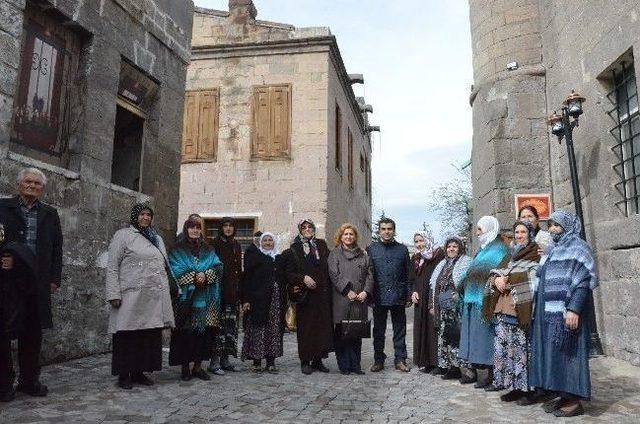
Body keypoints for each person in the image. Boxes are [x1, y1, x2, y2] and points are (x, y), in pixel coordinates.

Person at [0, 168, 62, 400]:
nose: (32, 186)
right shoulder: (3, 208)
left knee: (32, 333)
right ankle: (4, 384)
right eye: (28, 182)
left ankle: (29, 381)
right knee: (3, 333)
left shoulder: (49, 213)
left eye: (37, 184)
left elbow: (57, 248)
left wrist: (55, 278)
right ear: (19, 184)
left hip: (37, 281)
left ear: (42, 189)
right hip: (7, 280)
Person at [529, 210, 598, 417]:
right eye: (550, 225)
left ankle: (575, 400)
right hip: (550, 314)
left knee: (570, 355)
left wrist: (574, 309)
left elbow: (583, 281)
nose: (552, 229)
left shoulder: (579, 248)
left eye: (557, 225)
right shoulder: (556, 249)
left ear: (567, 227)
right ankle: (563, 394)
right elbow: (547, 273)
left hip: (567, 313)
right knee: (556, 355)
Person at [106, 203, 175, 389]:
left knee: (147, 335)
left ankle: (140, 371)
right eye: (142, 214)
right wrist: (113, 293)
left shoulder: (157, 239)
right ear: (135, 216)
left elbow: (163, 265)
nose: (145, 218)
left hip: (152, 296)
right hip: (130, 295)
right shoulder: (123, 236)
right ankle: (124, 374)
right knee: (127, 335)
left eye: (149, 215)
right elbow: (112, 266)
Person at [483, 221, 540, 400]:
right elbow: (494, 273)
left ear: (530, 234)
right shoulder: (511, 255)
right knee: (506, 351)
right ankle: (513, 387)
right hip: (502, 310)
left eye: (523, 232)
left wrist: (506, 279)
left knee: (522, 351)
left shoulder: (535, 254)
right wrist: (495, 279)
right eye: (517, 232)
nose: (519, 235)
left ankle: (528, 390)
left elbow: (533, 278)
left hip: (519, 310)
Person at [168, 217, 223, 381]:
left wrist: (205, 275)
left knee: (203, 335)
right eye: (191, 227)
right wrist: (194, 276)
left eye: (198, 227)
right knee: (185, 334)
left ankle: (198, 367)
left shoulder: (208, 249)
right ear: (186, 229)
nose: (195, 230)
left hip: (205, 300)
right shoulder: (177, 249)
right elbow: (174, 269)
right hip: (186, 300)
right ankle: (185, 367)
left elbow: (218, 266)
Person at [458, 216, 509, 388]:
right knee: (476, 337)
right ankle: (481, 371)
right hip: (472, 298)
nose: (478, 234)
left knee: (487, 338)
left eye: (480, 230)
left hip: (486, 299)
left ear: (489, 229)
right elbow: (473, 270)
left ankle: (492, 374)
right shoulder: (481, 250)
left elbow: (499, 272)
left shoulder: (500, 249)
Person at [280, 219, 333, 375]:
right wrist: (303, 278)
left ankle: (318, 360)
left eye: (310, 227)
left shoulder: (321, 245)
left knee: (321, 327)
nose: (308, 229)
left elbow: (330, 263)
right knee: (306, 328)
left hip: (322, 295)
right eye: (304, 227)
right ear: (300, 230)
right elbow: (289, 272)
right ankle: (305, 360)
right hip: (306, 295)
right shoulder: (295, 248)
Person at [328, 224, 374, 375]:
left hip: (359, 300)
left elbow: (370, 274)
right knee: (342, 333)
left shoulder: (363, 254)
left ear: (355, 237)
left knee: (356, 333)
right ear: (341, 236)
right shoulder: (334, 254)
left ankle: (356, 365)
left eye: (351, 234)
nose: (348, 237)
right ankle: (344, 366)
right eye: (346, 234)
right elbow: (334, 274)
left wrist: (366, 292)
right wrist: (347, 290)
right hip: (342, 298)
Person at [367, 217, 412, 372]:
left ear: (394, 230)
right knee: (378, 330)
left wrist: (408, 295)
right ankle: (378, 360)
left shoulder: (402, 249)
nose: (386, 232)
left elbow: (408, 274)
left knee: (399, 330)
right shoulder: (371, 249)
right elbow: (368, 273)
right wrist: (369, 295)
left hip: (398, 296)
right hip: (378, 296)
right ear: (379, 231)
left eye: (389, 229)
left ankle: (400, 359)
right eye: (383, 229)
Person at [241, 232, 285, 373]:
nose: (267, 242)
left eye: (270, 240)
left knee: (273, 330)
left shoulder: (278, 258)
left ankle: (271, 361)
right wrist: (246, 299)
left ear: (274, 242)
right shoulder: (255, 257)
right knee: (258, 329)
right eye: (264, 240)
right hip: (258, 300)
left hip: (275, 301)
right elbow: (247, 279)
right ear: (260, 242)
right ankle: (257, 361)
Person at [429, 237, 472, 380]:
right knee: (446, 338)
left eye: (455, 246)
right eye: (449, 247)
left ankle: (466, 371)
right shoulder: (443, 264)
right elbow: (434, 285)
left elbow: (468, 283)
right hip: (444, 308)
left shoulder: (466, 262)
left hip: (457, 308)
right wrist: (433, 305)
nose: (451, 249)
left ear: (460, 248)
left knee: (458, 338)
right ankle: (451, 368)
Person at [209, 218, 242, 374]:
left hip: (232, 293)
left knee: (230, 328)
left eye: (231, 226)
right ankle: (214, 362)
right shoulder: (214, 244)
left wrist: (239, 292)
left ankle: (225, 359)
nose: (228, 228)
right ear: (220, 228)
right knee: (218, 328)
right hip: (218, 292)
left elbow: (238, 270)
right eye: (225, 226)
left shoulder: (236, 245)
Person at [409, 232, 445, 374]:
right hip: (420, 299)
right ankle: (426, 362)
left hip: (433, 297)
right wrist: (413, 291)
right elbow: (412, 278)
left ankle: (438, 363)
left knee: (433, 328)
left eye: (421, 240)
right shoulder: (416, 258)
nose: (419, 244)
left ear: (428, 240)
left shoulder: (438, 255)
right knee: (422, 327)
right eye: (416, 241)